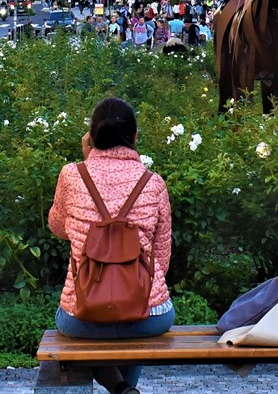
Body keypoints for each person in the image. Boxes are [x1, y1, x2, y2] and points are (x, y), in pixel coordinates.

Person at [48, 97, 174, 394]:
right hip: (149, 317)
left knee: (73, 323)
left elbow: (58, 227)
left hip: (83, 318)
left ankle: (119, 388)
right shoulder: (153, 182)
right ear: (135, 137)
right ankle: (123, 389)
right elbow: (162, 256)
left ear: (91, 137)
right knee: (132, 317)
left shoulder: (71, 175)